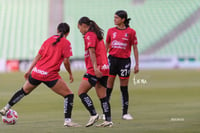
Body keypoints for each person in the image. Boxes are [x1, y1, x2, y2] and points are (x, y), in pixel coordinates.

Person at [0, 23, 80, 127]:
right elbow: (66, 62)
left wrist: (29, 70)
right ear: (68, 33)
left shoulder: (48, 40)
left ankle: (6, 108)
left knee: (23, 91)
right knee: (69, 95)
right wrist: (70, 73)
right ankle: (68, 121)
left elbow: (38, 56)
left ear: (57, 30)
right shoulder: (66, 43)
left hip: (37, 72)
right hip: (50, 75)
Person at [77, 16, 113, 127]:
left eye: (79, 28)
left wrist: (95, 68)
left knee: (81, 92)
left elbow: (92, 52)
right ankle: (108, 120)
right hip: (105, 68)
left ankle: (93, 114)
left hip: (96, 69)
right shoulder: (96, 34)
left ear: (83, 25)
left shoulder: (89, 35)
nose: (79, 30)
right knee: (102, 96)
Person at [106, 10, 139, 120]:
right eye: (114, 17)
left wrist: (137, 64)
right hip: (112, 60)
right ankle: (105, 112)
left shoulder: (131, 32)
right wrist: (103, 61)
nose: (114, 19)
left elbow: (135, 47)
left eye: (116, 18)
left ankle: (125, 113)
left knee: (124, 88)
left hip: (124, 62)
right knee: (108, 87)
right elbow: (106, 46)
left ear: (123, 19)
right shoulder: (111, 31)